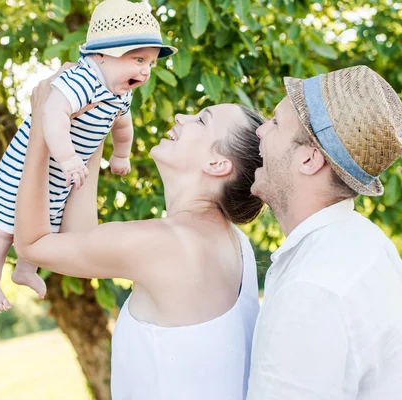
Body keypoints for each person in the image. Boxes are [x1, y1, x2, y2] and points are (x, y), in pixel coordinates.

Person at [14, 63, 265, 399]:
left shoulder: (166, 244)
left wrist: (41, 126)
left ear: (218, 164)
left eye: (201, 120)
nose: (181, 117)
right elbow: (83, 237)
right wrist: (96, 124)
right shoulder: (236, 244)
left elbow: (33, 244)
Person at [247, 65, 402, 399]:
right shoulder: (365, 241)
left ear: (309, 160)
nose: (260, 132)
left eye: (275, 123)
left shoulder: (310, 289)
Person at [0, 0, 177, 312]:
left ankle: (24, 270)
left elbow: (122, 127)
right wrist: (70, 158)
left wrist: (121, 157)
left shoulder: (120, 93)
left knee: (47, 229)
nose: (145, 69)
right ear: (100, 55)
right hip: (27, 169)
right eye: (138, 59)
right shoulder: (83, 80)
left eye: (151, 63)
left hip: (62, 175)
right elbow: (53, 114)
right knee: (5, 229)